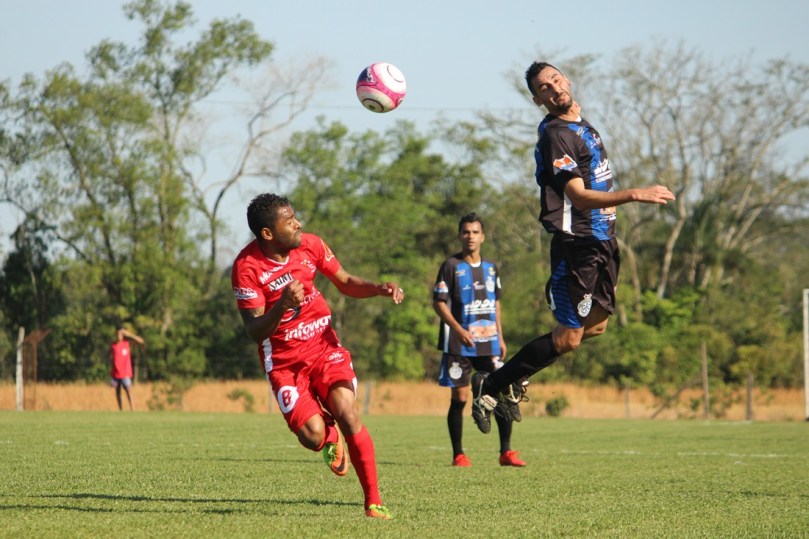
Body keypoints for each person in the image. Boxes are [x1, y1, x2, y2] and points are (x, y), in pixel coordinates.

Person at [471, 61, 676, 430]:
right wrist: (634, 194)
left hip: (603, 242)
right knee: (568, 339)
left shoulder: (576, 123)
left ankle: (515, 377)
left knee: (596, 327)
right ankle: (492, 385)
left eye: (555, 80)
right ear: (538, 100)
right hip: (578, 245)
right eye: (544, 89)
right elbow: (578, 197)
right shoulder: (558, 135)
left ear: (566, 79)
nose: (553, 89)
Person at [230, 193, 405, 520]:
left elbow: (346, 282)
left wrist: (378, 288)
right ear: (268, 233)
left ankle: (373, 502)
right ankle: (330, 437)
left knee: (347, 412)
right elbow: (254, 330)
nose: (298, 224)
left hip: (324, 348)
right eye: (289, 221)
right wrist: (282, 304)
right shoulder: (246, 268)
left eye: (295, 217)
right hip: (284, 363)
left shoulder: (310, 245)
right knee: (312, 437)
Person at [433, 212, 526, 467]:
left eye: (475, 232)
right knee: (460, 398)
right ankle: (458, 454)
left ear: (483, 237)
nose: (470, 236)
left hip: (489, 343)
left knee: (503, 392)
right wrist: (458, 329)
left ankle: (506, 452)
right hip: (458, 344)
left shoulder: (491, 268)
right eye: (466, 232)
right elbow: (438, 303)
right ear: (459, 236)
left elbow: (496, 303)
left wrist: (500, 336)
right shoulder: (451, 266)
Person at [110, 327, 144, 411]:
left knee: (128, 390)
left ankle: (132, 409)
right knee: (117, 391)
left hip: (125, 372)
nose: (118, 336)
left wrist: (130, 334)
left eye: (120, 334)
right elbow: (109, 356)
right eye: (118, 334)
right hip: (116, 373)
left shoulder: (127, 344)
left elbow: (141, 341)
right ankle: (121, 409)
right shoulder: (113, 345)